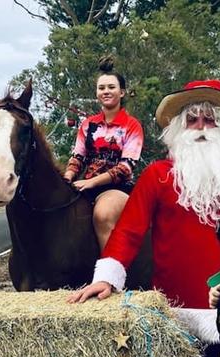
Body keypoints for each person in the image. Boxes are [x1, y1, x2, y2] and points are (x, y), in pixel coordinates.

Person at [67, 79, 220, 309]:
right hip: (176, 309)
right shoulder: (157, 174)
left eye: (210, 120)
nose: (200, 127)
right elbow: (128, 230)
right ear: (180, 127)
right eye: (192, 120)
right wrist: (106, 277)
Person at [62, 56, 144, 251]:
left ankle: (109, 274)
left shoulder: (132, 126)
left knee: (103, 215)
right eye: (101, 88)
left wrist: (91, 182)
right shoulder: (87, 124)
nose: (106, 91)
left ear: (122, 92)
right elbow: (78, 157)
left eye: (111, 87)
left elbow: (125, 168)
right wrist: (67, 177)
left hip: (118, 188)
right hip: (84, 185)